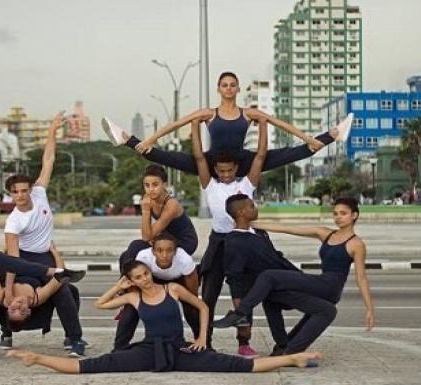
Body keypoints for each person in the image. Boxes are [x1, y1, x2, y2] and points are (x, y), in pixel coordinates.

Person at [6, 260, 323, 374]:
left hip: (181, 348)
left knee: (236, 366)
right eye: (138, 277)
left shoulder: (171, 289)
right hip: (147, 350)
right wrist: (121, 285)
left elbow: (201, 307)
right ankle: (36, 358)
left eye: (145, 274)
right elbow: (100, 305)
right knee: (93, 366)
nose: (144, 279)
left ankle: (291, 359)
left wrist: (201, 338)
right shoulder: (133, 295)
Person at [101, 71, 352, 179]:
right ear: (219, 89)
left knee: (296, 152)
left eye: (233, 85)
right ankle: (125, 138)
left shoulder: (248, 112)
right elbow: (176, 124)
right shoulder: (208, 113)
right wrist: (150, 139)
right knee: (160, 155)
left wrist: (308, 138)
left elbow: (279, 123)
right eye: (224, 85)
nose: (229, 88)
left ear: (238, 89)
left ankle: (334, 134)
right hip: (211, 162)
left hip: (243, 161)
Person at [214, 197, 375, 355]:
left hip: (331, 287)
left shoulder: (356, 244)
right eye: (335, 213)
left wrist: (369, 309)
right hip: (321, 282)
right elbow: (288, 229)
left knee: (269, 276)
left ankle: (239, 314)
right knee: (275, 299)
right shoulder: (325, 233)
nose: (338, 217)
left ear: (354, 215)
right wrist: (251, 225)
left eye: (343, 213)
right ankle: (284, 347)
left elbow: (361, 277)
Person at [2, 111, 89, 355]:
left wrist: (52, 131)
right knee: (61, 288)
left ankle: (73, 339)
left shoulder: (39, 193)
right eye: (15, 192)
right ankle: (6, 333)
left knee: (70, 291)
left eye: (24, 190)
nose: (21, 194)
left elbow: (48, 159)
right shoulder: (13, 222)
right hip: (27, 260)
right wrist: (8, 290)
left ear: (30, 189)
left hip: (46, 255)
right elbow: (12, 259)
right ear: (11, 194)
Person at [191, 116, 268, 357]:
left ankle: (244, 342)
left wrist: (263, 125)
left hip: (242, 245)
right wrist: (194, 126)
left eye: (230, 170)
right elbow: (198, 157)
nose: (225, 174)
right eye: (221, 170)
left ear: (236, 168)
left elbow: (260, 157)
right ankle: (205, 340)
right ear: (215, 169)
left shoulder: (246, 185)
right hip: (218, 243)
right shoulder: (210, 185)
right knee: (208, 295)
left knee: (243, 298)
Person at [0, 244, 84, 359]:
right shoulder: (38, 297)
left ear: (7, 308)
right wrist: (54, 252)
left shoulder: (1, 297)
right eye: (21, 311)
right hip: (38, 266)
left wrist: (3, 253)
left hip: (12, 266)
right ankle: (75, 340)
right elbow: (60, 275)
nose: (18, 305)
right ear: (28, 312)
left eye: (13, 309)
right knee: (65, 289)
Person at [115, 232, 199, 350]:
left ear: (175, 251)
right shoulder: (144, 257)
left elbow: (193, 291)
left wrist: (191, 303)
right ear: (153, 252)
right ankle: (119, 348)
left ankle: (203, 344)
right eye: (159, 250)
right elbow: (137, 280)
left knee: (192, 309)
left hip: (178, 280)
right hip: (152, 279)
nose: (164, 255)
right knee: (130, 310)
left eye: (169, 251)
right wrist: (131, 299)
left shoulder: (184, 260)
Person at [139, 164, 199, 255]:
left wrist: (145, 210)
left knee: (139, 248)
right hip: (165, 239)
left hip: (184, 242)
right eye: (147, 185)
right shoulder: (148, 201)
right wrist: (154, 238)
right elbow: (148, 235)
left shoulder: (171, 204)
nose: (151, 189)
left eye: (155, 185)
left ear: (164, 185)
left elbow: (146, 237)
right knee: (135, 247)